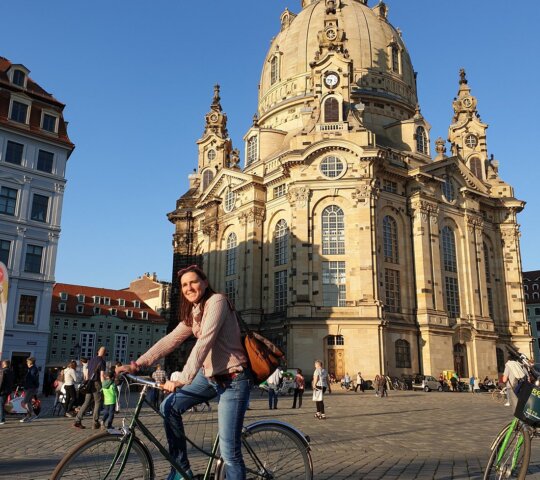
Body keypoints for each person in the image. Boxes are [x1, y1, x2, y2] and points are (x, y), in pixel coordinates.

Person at [117, 265, 252, 480]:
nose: (189, 288)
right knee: (168, 406)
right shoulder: (195, 312)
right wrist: (137, 365)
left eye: (193, 282)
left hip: (233, 379)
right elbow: (170, 340)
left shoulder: (217, 301)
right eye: (184, 285)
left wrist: (183, 378)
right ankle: (181, 470)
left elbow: (205, 342)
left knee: (229, 452)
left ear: (205, 283)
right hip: (209, 376)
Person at [73, 347, 107, 429]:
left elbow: (88, 373)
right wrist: (105, 386)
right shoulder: (102, 361)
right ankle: (95, 423)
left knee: (86, 402)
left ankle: (77, 420)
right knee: (98, 402)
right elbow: (102, 375)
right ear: (105, 353)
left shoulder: (91, 360)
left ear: (98, 352)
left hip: (89, 383)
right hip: (97, 384)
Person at [20, 357, 40, 422]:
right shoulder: (31, 369)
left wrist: (31, 385)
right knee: (28, 402)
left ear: (30, 362)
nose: (26, 363)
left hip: (30, 388)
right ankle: (28, 416)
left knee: (25, 402)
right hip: (29, 387)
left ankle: (33, 414)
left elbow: (33, 379)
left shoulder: (33, 369)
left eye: (27, 362)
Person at [0, 360, 14, 425]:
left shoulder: (3, 371)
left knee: (1, 405)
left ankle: (2, 419)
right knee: (2, 404)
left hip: (2, 391)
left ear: (4, 364)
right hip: (8, 390)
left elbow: (1, 382)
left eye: (2, 364)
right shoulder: (11, 371)